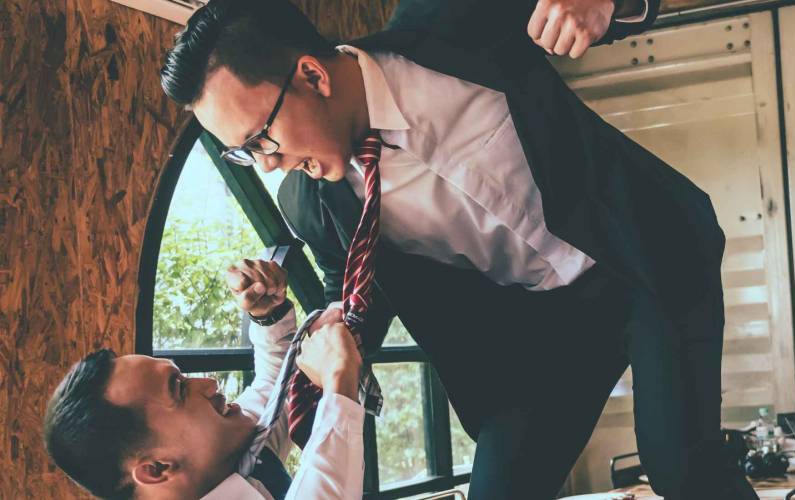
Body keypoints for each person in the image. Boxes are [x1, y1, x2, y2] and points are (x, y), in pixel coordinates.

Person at [160, 0, 758, 498]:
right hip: (545, 329)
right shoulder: (310, 203)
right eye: (245, 154)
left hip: (642, 256)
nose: (266, 164)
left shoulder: (448, 20)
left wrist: (605, 4)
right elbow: (358, 288)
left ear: (313, 76)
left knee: (683, 468)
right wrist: (305, 323)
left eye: (262, 138)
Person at [43, 259, 365, 499]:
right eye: (179, 389)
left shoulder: (226, 454)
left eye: (182, 376)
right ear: (156, 469)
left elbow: (274, 388)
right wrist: (339, 382)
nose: (209, 384)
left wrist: (270, 318)